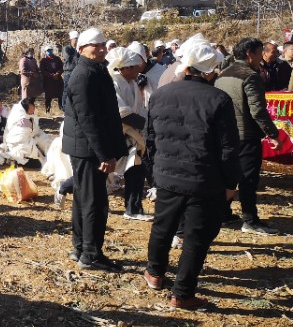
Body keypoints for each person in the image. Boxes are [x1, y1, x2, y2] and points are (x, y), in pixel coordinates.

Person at [145, 42, 241, 309]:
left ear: (185, 66)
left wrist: (154, 173)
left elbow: (150, 139)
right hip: (204, 179)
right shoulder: (219, 100)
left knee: (163, 227)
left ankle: (154, 273)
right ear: (211, 72)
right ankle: (182, 293)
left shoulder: (160, 94)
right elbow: (229, 148)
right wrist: (231, 183)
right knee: (196, 237)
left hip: (167, 175)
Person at [62, 28, 128, 271]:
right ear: (81, 49)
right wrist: (104, 154)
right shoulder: (84, 76)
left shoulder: (94, 70)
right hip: (88, 149)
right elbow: (89, 119)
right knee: (94, 201)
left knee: (84, 197)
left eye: (102, 44)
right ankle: (90, 253)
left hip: (86, 146)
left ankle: (80, 246)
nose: (100, 49)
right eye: (94, 45)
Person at [215, 38, 281, 235]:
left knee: (227, 176)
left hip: (226, 134)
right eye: (260, 52)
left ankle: (223, 214)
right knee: (248, 179)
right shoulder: (250, 76)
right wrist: (273, 134)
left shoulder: (223, 74)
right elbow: (258, 111)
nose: (262, 56)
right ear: (250, 54)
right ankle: (250, 219)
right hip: (246, 135)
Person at [106, 47, 151, 221]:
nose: (138, 71)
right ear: (125, 68)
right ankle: (65, 186)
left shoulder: (132, 84)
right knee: (98, 173)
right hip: (118, 134)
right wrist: (144, 124)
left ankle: (133, 208)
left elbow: (139, 109)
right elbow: (121, 112)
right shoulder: (113, 83)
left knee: (136, 171)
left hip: (132, 136)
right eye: (134, 68)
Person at [0, 98, 53, 167]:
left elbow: (35, 130)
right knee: (35, 159)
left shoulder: (30, 114)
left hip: (31, 136)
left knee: (46, 141)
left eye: (33, 109)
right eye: (30, 110)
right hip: (19, 143)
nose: (33, 111)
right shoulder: (21, 119)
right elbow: (21, 137)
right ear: (25, 110)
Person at [39, 45, 64, 113]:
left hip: (57, 80)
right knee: (48, 97)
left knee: (60, 96)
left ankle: (61, 109)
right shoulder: (43, 60)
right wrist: (51, 75)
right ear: (45, 52)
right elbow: (42, 71)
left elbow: (61, 68)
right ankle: (48, 110)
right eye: (48, 51)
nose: (49, 52)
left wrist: (57, 74)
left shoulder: (57, 59)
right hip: (48, 81)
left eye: (50, 50)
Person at [61, 30, 80, 109]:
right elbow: (68, 58)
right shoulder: (66, 48)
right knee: (67, 90)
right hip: (68, 72)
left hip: (76, 72)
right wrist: (76, 54)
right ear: (72, 39)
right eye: (75, 39)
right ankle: (64, 106)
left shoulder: (78, 49)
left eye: (77, 39)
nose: (76, 40)